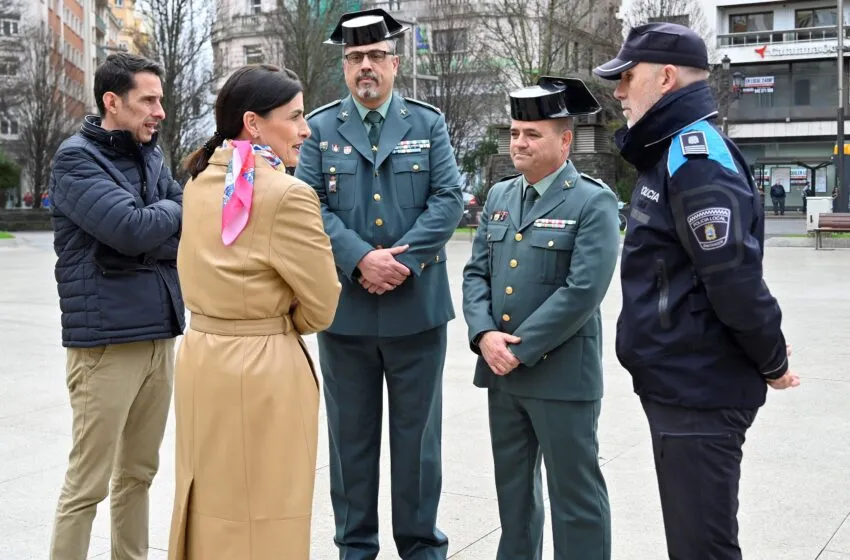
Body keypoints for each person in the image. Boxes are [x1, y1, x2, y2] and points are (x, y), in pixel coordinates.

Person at [594, 22, 800, 560]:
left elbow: (733, 278)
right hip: (681, 382)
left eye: (626, 77)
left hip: (698, 389)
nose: (618, 92)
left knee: (701, 548)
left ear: (664, 78)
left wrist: (772, 359)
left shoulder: (695, 159)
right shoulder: (669, 154)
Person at [295, 8, 463, 559]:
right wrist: (359, 257)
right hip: (345, 314)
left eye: (374, 57)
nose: (364, 67)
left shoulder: (427, 122)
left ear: (395, 62)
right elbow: (308, 205)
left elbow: (447, 200)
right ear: (344, 66)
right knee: (350, 444)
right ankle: (356, 548)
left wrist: (401, 263)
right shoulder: (319, 128)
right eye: (353, 58)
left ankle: (420, 548)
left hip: (416, 310)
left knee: (418, 445)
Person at [167, 64, 341, 559]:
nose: (306, 129)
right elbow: (323, 304)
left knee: (209, 502)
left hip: (202, 357)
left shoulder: (198, 181)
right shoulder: (288, 194)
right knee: (266, 511)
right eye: (296, 116)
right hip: (263, 367)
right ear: (253, 123)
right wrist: (282, 319)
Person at [462, 77, 619, 560]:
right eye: (513, 133)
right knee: (513, 497)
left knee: (576, 498)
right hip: (502, 375)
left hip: (560, 376)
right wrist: (484, 333)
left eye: (532, 134)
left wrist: (517, 348)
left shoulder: (592, 201)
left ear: (564, 140)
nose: (519, 143)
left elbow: (583, 291)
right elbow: (475, 275)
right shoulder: (500, 197)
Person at [47, 52, 184, 560]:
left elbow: (171, 236)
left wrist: (159, 220)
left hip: (159, 335)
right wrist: (170, 211)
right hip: (105, 345)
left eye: (161, 100)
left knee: (139, 476)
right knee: (88, 484)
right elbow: (130, 230)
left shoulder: (152, 153)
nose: (159, 111)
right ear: (112, 101)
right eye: (148, 100)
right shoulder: (76, 158)